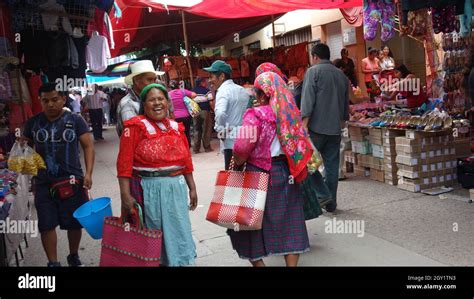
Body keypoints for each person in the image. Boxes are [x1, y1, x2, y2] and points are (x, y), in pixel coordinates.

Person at [229, 71, 312, 267]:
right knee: (289, 221)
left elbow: (242, 148)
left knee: (247, 223)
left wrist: (236, 164)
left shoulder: (255, 115)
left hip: (256, 173)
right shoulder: (291, 115)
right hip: (285, 172)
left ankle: (259, 264)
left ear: (261, 95)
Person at [116, 83, 197, 266]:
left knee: (178, 229)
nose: (157, 103)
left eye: (161, 99)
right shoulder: (134, 127)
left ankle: (179, 262)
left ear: (167, 103)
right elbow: (124, 164)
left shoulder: (176, 127)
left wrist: (192, 188)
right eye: (152, 100)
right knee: (153, 232)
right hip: (148, 191)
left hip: (176, 189)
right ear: (144, 105)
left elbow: (186, 161)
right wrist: (125, 196)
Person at [22, 82, 95, 267]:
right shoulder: (33, 123)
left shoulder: (76, 120)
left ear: (63, 99)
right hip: (43, 182)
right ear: (40, 101)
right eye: (45, 101)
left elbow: (88, 146)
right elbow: (26, 149)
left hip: (72, 179)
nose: (50, 104)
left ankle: (73, 256)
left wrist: (88, 174)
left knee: (74, 222)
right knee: (46, 224)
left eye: (55, 99)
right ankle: (53, 263)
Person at [301, 43, 349, 213]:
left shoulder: (313, 72)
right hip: (335, 128)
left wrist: (303, 126)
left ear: (315, 56)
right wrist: (342, 123)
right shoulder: (341, 75)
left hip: (316, 128)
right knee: (331, 167)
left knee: (307, 163)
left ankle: (322, 194)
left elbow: (308, 100)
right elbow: (345, 105)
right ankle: (331, 203)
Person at [204, 60, 249, 170]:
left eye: (211, 77)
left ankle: (234, 187)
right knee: (244, 173)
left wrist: (220, 129)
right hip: (245, 138)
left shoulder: (223, 91)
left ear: (222, 76)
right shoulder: (242, 90)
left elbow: (220, 112)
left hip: (231, 141)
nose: (209, 81)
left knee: (232, 176)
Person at [116, 60, 168, 137]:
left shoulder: (151, 99)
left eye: (154, 80)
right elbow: (133, 136)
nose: (154, 83)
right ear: (136, 80)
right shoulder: (128, 105)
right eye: (149, 80)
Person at [168, 80, 197, 147]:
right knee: (186, 131)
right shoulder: (183, 91)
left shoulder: (168, 94)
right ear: (178, 85)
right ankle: (188, 146)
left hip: (175, 117)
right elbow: (194, 95)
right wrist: (186, 97)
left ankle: (181, 146)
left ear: (170, 87)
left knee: (178, 133)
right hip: (186, 116)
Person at [192, 77, 214, 153]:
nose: (206, 83)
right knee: (206, 129)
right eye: (205, 82)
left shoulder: (192, 91)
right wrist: (214, 110)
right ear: (201, 82)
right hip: (205, 111)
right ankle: (207, 147)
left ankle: (196, 148)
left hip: (195, 112)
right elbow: (211, 102)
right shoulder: (207, 91)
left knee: (196, 129)